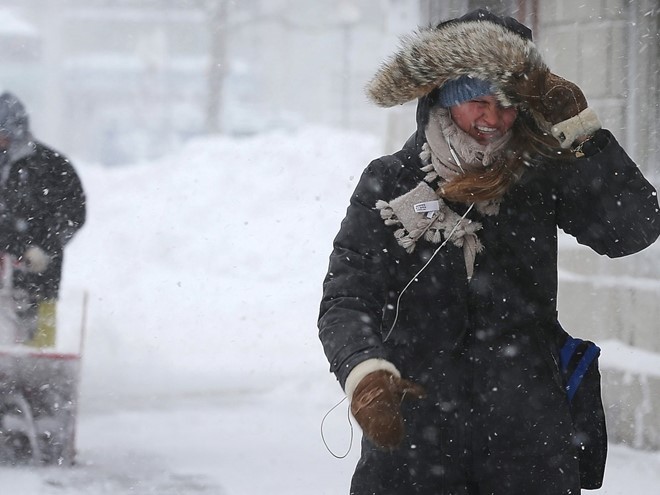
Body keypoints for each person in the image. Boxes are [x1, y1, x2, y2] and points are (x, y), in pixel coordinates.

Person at [317, 9, 660, 495]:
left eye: (507, 104)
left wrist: (581, 129)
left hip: (528, 443)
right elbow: (347, 298)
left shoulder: (541, 175)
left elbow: (634, 229)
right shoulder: (391, 180)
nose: (494, 119)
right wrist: (366, 373)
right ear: (444, 96)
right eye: (478, 101)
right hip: (416, 444)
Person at [0, 91, 86, 347]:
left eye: (4, 133)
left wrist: (46, 248)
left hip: (39, 274)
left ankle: (37, 375)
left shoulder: (51, 167)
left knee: (37, 340)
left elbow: (73, 213)